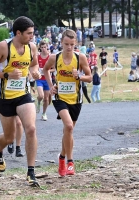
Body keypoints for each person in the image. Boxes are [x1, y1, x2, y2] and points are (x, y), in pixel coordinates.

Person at [0, 16, 41, 186]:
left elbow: (34, 64)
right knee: (9, 138)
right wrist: (6, 74)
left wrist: (35, 72)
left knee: (30, 128)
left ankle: (31, 172)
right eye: (29, 33)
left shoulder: (32, 47)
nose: (32, 36)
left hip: (23, 95)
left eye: (32, 33)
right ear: (18, 33)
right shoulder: (4, 47)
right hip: (5, 98)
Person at [43, 29, 92, 176]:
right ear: (61, 43)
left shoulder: (80, 58)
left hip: (76, 99)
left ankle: (62, 158)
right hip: (60, 98)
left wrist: (80, 77)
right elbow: (45, 70)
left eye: (71, 44)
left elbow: (90, 77)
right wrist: (51, 87)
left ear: (75, 43)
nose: (69, 47)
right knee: (69, 126)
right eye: (66, 44)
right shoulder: (54, 57)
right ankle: (70, 162)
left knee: (68, 131)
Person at [36, 41, 52, 121]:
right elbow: (34, 66)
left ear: (47, 47)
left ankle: (44, 113)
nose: (43, 49)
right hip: (39, 79)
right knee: (41, 96)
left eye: (44, 47)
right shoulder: (37, 56)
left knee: (46, 99)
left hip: (47, 79)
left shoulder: (50, 57)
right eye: (41, 47)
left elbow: (55, 68)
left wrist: (47, 70)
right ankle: (38, 102)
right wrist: (37, 71)